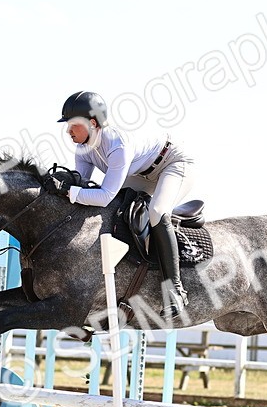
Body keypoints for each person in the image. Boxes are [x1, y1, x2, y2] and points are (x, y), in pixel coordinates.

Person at [55, 90, 195, 319]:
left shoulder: (117, 144)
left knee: (157, 211)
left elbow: (103, 195)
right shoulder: (82, 148)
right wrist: (61, 185)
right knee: (117, 212)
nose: (68, 131)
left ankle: (176, 291)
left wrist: (69, 191)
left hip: (173, 163)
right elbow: (82, 185)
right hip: (140, 172)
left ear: (92, 123)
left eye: (73, 125)